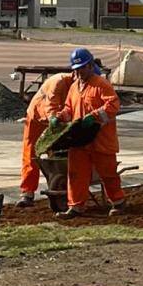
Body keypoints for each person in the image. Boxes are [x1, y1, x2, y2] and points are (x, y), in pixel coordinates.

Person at [54, 48, 125, 219]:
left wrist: (93, 117)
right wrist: (59, 117)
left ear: (91, 66)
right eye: (76, 69)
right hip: (81, 140)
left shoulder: (101, 85)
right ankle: (76, 206)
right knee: (76, 174)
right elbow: (69, 109)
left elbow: (113, 106)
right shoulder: (74, 88)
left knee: (108, 173)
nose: (79, 71)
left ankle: (118, 202)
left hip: (101, 139)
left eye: (82, 67)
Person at [15, 72, 75, 208]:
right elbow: (51, 104)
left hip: (57, 121)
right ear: (75, 72)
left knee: (57, 155)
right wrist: (53, 119)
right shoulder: (59, 81)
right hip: (37, 117)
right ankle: (27, 192)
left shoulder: (82, 85)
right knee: (31, 154)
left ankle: (59, 185)